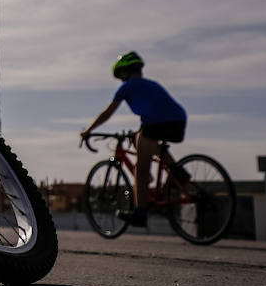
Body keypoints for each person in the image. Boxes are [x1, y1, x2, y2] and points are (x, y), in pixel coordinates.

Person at [79, 51, 187, 226]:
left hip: (156, 123)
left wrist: (88, 131)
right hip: (179, 121)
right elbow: (156, 108)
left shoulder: (127, 87)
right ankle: (179, 174)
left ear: (124, 72)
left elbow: (107, 113)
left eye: (120, 76)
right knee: (142, 139)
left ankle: (140, 212)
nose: (120, 80)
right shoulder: (152, 84)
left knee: (140, 169)